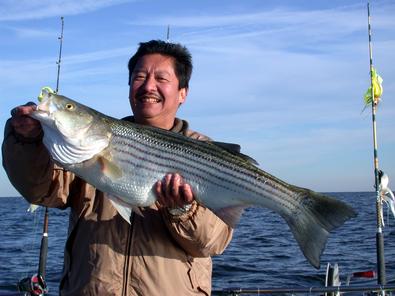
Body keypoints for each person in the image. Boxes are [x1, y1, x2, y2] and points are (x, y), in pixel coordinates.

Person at [2, 40, 233, 296]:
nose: (148, 86)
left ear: (182, 93)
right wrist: (25, 141)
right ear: (129, 86)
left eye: (161, 78)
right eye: (140, 77)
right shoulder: (81, 150)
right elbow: (40, 189)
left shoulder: (207, 151)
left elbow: (213, 242)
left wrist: (183, 210)